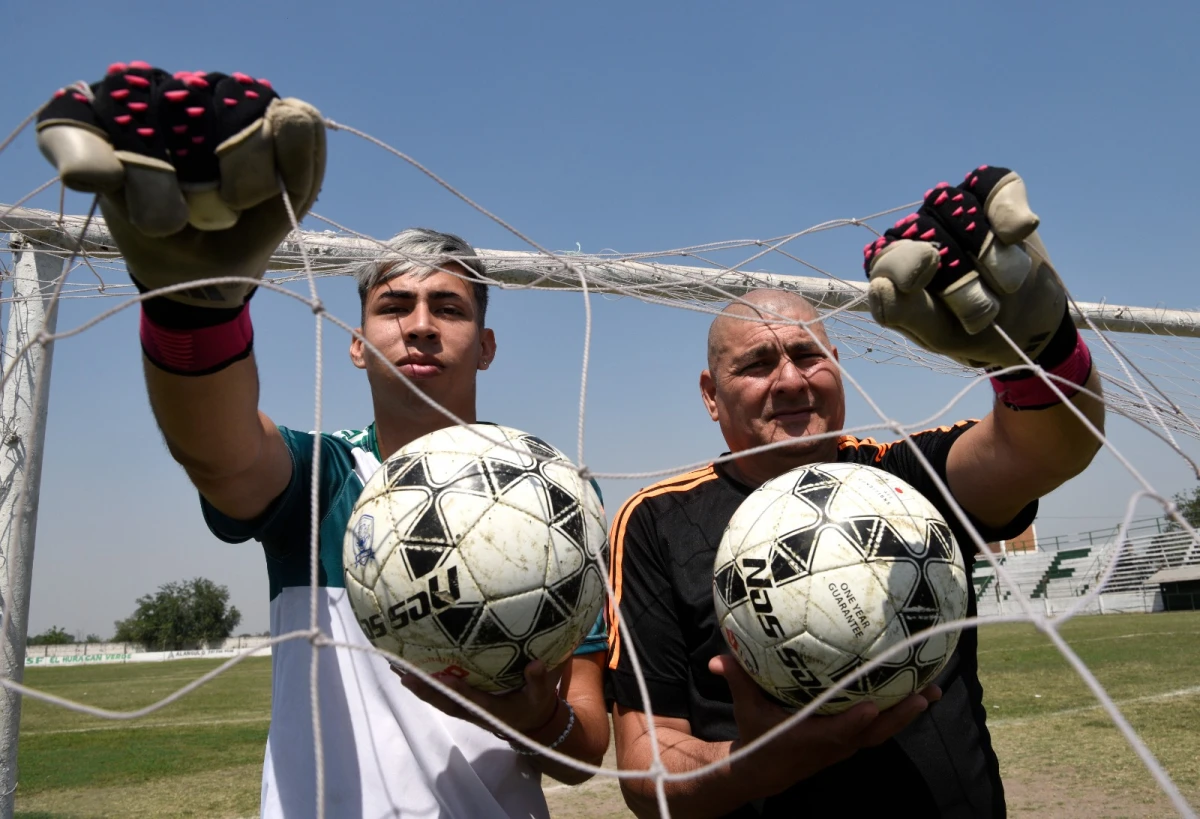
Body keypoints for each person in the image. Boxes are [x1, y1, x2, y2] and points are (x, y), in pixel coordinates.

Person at [34, 62, 609, 818]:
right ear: (355, 341)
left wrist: (529, 717)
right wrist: (197, 315)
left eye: (449, 305)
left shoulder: (557, 495)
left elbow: (586, 747)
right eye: (393, 304)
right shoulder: (328, 474)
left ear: (488, 343)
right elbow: (222, 452)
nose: (421, 323)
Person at [604, 165, 1105, 817]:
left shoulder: (902, 476)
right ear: (709, 394)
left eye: (808, 355)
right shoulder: (654, 520)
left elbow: (1044, 449)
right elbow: (646, 765)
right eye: (756, 363)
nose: (789, 379)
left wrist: (1039, 348)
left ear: (837, 367)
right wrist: (749, 770)